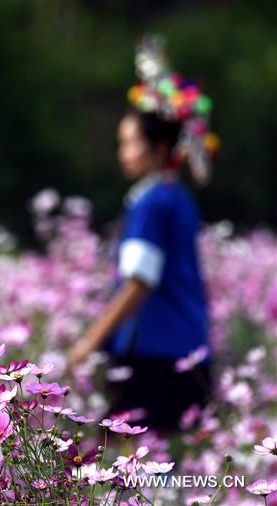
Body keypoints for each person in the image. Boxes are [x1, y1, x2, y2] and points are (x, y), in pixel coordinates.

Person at [67, 37, 219, 431]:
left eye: (131, 143)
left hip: (155, 350)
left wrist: (89, 342)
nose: (124, 153)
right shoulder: (177, 197)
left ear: (160, 148)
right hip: (188, 346)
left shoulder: (151, 203)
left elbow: (139, 281)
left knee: (141, 472)